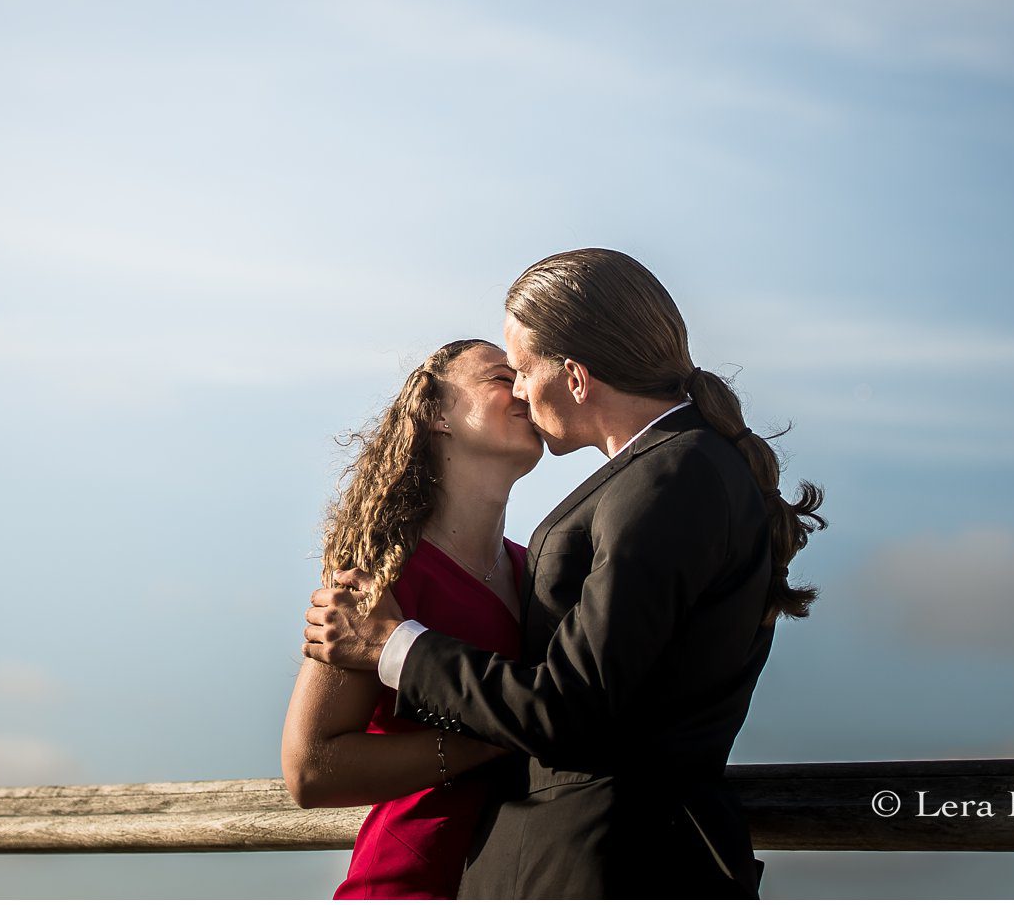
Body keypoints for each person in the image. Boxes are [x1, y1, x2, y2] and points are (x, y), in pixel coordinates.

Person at [304, 249, 826, 898]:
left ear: (575, 377)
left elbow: (574, 705)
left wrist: (395, 647)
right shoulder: (681, 470)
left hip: (603, 863)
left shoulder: (668, 478)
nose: (521, 392)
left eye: (522, 370)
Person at [282, 340, 544, 898]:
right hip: (407, 883)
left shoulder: (537, 572)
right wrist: (502, 738)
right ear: (437, 414)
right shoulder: (384, 574)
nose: (525, 389)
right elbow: (310, 769)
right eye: (503, 378)